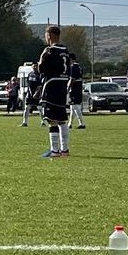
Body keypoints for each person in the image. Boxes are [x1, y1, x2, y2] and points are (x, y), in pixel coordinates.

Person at [38, 25, 73, 158]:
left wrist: (42, 57)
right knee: (62, 119)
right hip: (62, 85)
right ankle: (65, 150)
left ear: (50, 36)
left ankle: (54, 151)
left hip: (51, 85)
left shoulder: (49, 51)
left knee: (52, 119)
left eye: (46, 35)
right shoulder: (65, 50)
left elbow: (41, 69)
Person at [68, 60, 86, 130]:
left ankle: (82, 123)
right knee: (72, 108)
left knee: (75, 107)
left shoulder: (73, 67)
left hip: (74, 89)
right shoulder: (79, 66)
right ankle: (70, 124)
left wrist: (68, 87)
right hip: (79, 88)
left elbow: (72, 79)